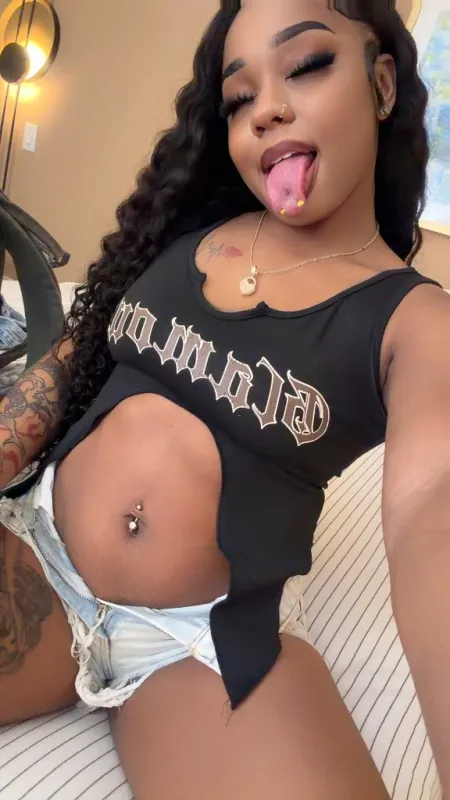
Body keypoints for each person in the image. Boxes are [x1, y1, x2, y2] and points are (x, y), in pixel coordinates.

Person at [0, 1, 449, 797]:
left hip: (201, 645)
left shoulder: (413, 320)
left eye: (306, 65)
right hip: (39, 553)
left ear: (382, 83)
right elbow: (76, 355)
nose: (266, 108)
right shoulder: (191, 230)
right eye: (240, 98)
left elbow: (429, 507)